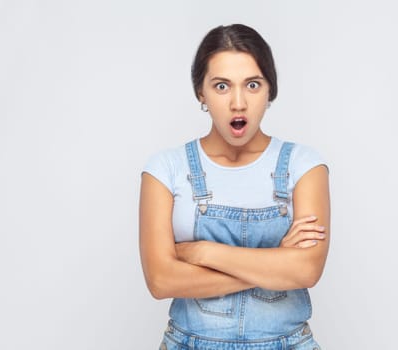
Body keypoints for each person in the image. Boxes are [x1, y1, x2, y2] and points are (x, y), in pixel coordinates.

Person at [139, 24, 330, 350]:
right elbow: (161, 281)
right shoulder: (165, 169)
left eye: (252, 85)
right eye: (222, 86)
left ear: (270, 90)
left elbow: (307, 270)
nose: (238, 103)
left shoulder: (304, 166)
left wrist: (202, 252)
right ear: (201, 91)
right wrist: (277, 262)